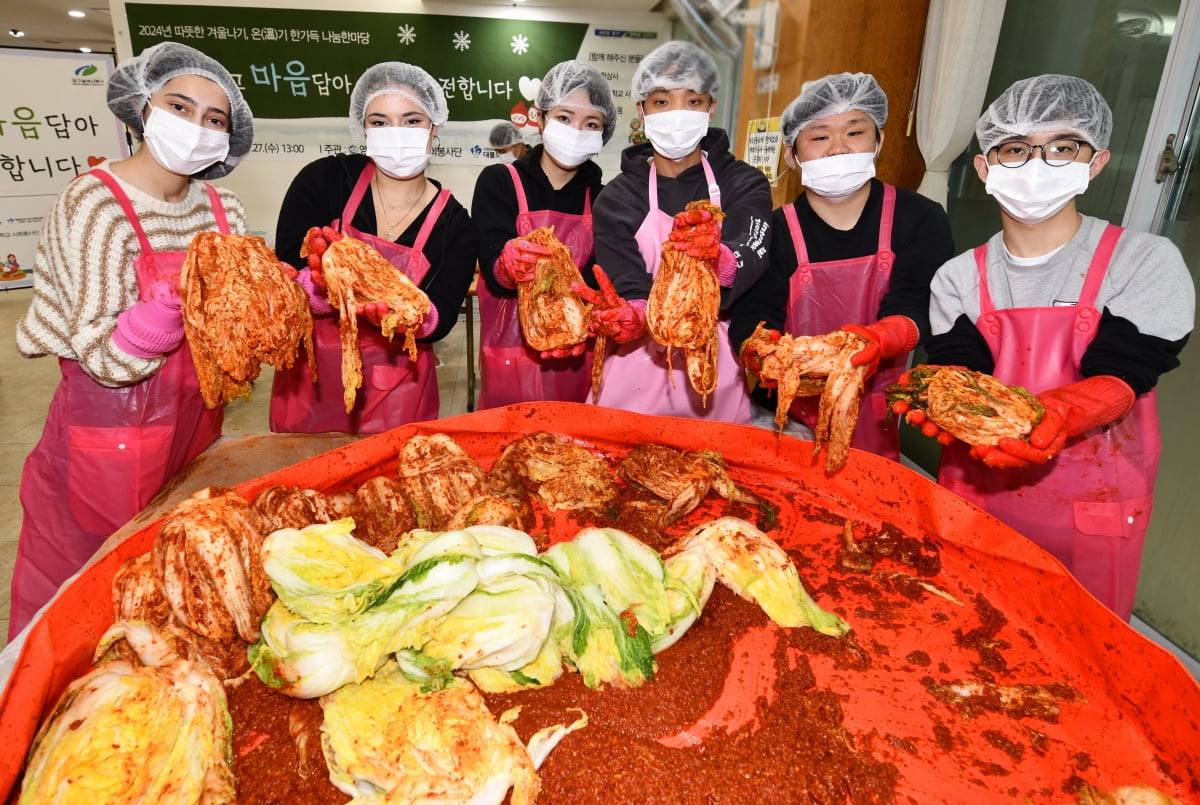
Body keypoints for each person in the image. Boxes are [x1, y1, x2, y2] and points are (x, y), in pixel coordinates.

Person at [912, 74, 1194, 619]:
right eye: (1016, 150)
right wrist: (939, 402)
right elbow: (960, 376)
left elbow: (1125, 371)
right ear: (984, 167)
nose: (1037, 164)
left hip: (1092, 508)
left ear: (1095, 161)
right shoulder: (956, 278)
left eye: (1062, 148)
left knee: (1081, 650)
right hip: (978, 492)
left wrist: (1059, 413)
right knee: (967, 628)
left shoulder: (1142, 262)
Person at [12, 42, 254, 637]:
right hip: (108, 432)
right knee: (85, 591)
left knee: (176, 576)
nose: (196, 127)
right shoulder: (94, 203)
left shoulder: (225, 212)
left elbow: (235, 344)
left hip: (195, 425)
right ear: (142, 107)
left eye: (214, 119)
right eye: (180, 106)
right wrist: (157, 320)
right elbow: (103, 359)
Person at [732, 73, 954, 460]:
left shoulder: (919, 217)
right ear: (792, 154)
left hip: (877, 414)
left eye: (854, 133)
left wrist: (878, 340)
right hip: (784, 418)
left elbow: (919, 303)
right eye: (819, 137)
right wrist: (759, 352)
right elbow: (754, 316)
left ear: (879, 140)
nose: (838, 149)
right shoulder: (775, 229)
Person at [270, 62, 478, 433]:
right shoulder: (326, 181)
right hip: (311, 385)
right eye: (380, 122)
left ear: (435, 128)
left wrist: (415, 316)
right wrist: (318, 290)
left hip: (399, 394)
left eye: (412, 120)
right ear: (362, 127)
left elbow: (442, 317)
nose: (396, 133)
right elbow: (282, 272)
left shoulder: (455, 223)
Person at [582, 40, 772, 422]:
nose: (677, 114)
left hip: (712, 366)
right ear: (642, 110)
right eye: (662, 101)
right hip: (634, 366)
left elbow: (753, 246)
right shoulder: (617, 196)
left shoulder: (743, 183)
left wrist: (718, 260)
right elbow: (629, 285)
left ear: (710, 108)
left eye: (693, 101)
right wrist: (634, 315)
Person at [472, 60, 616, 408]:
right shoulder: (500, 182)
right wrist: (507, 265)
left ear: (602, 134)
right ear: (540, 118)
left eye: (590, 123)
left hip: (577, 350)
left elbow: (600, 280)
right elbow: (491, 264)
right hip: (510, 351)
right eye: (564, 118)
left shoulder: (604, 198)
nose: (576, 130)